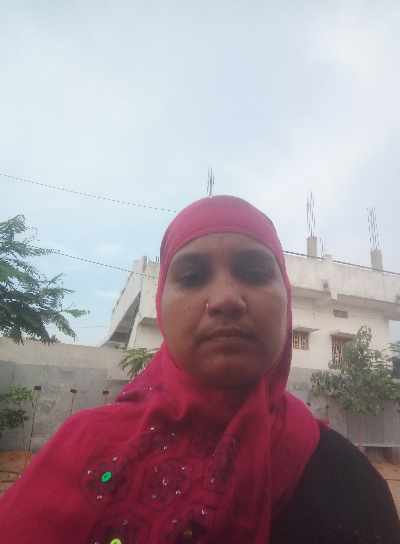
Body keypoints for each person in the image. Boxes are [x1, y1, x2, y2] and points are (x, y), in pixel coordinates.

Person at [0, 195, 398, 543]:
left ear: (287, 299)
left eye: (255, 272)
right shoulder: (82, 449)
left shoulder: (349, 482)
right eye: (192, 277)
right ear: (161, 304)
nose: (225, 299)